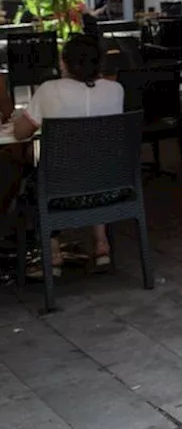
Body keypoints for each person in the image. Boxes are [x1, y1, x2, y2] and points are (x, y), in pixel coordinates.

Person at [13, 34, 125, 274]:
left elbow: (21, 133)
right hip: (112, 189)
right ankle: (101, 244)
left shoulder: (49, 91)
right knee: (93, 165)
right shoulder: (115, 90)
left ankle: (53, 255)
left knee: (36, 182)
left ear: (64, 63)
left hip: (60, 194)